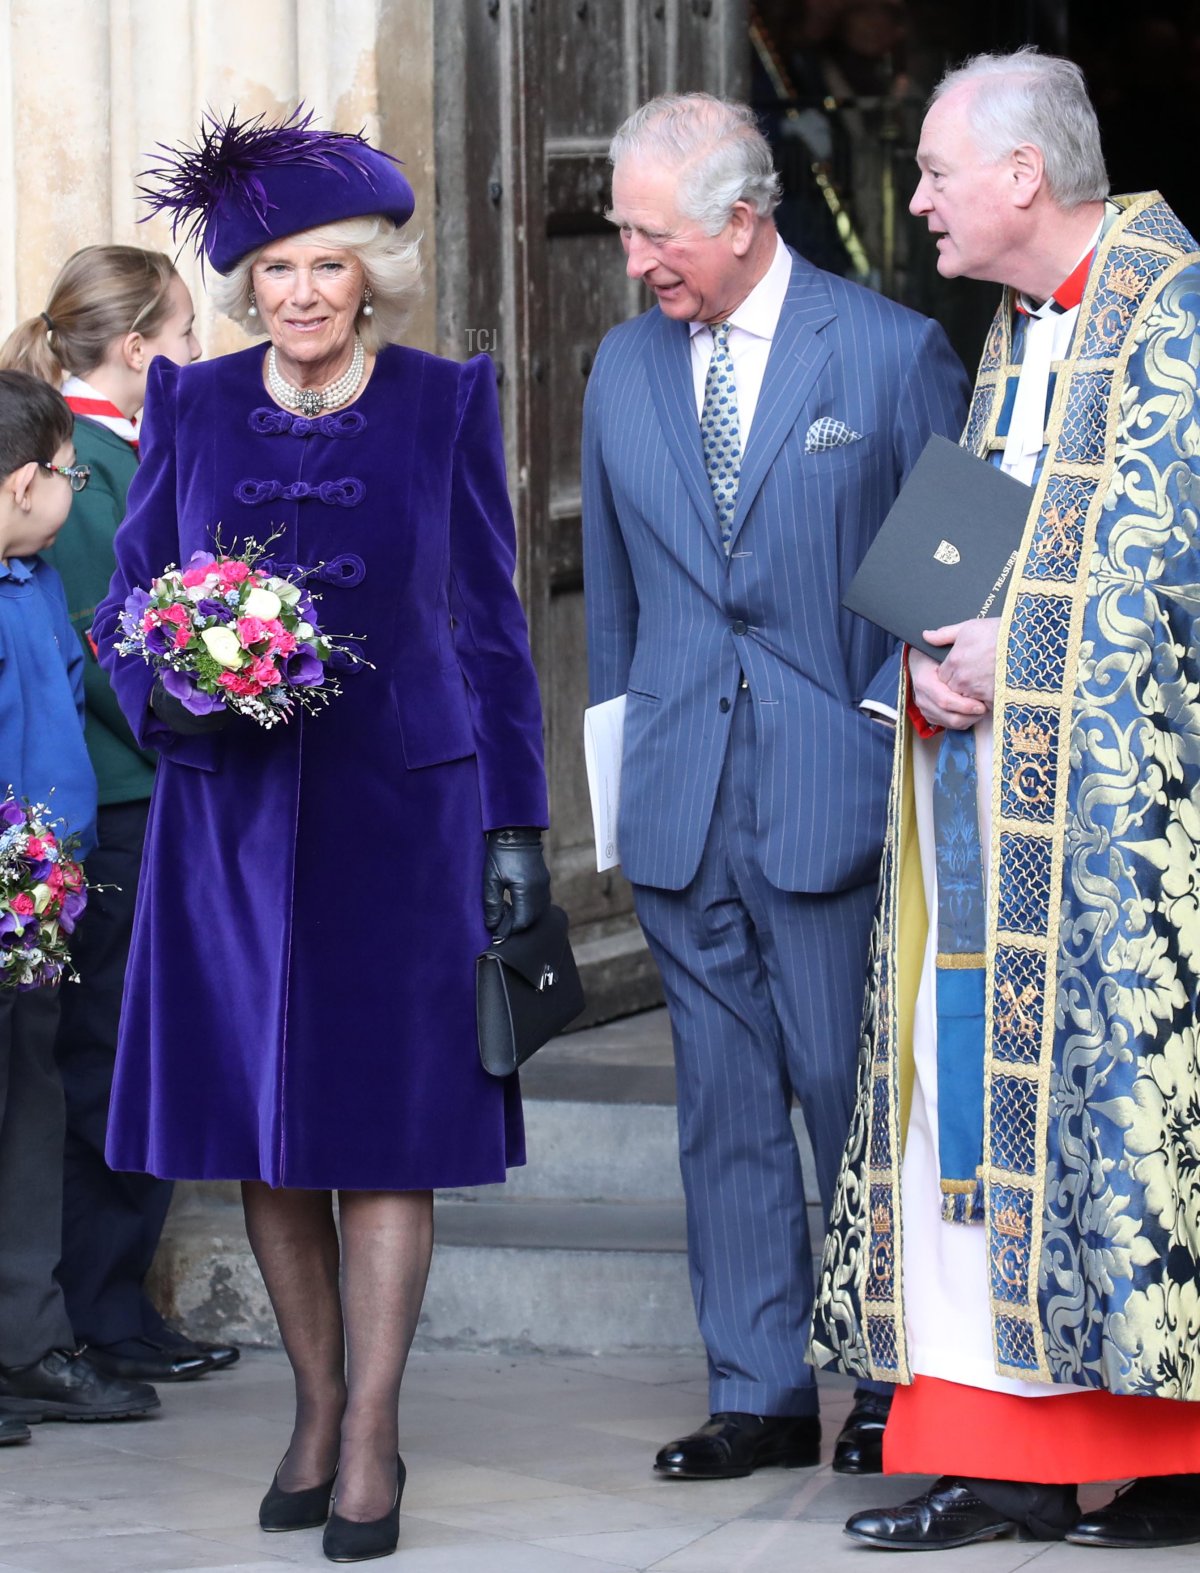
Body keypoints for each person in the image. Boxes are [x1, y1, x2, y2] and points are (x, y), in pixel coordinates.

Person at [91, 111, 550, 1565]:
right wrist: (180, 677)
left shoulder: (443, 401)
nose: (299, 292)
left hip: (402, 816)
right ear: (246, 289)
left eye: (327, 266)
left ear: (373, 278)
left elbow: (490, 625)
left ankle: (371, 1438)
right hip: (229, 823)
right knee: (265, 1139)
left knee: (385, 1135)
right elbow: (124, 604)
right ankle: (312, 1403)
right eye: (274, 269)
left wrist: (517, 825)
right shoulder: (193, 404)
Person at [810, 48, 1200, 1552]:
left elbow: (1172, 589)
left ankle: (1164, 1461)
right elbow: (965, 547)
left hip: (1123, 846)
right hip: (977, 817)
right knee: (957, 1117)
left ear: (1025, 178)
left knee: (1122, 1130)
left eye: (934, 173)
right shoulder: (1017, 328)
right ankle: (1000, 1454)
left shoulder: (1176, 320)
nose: (914, 202)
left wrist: (1015, 653)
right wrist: (921, 657)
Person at [582, 93, 967, 1481]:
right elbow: (615, 608)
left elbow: (953, 557)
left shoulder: (890, 347)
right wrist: (621, 797)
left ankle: (884, 1379)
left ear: (744, 219)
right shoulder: (622, 368)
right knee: (722, 1109)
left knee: (851, 1097)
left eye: (653, 233)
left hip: (837, 795)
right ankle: (751, 1387)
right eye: (626, 231)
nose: (635, 260)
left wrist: (884, 733)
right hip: (683, 797)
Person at [0, 245, 235, 1386]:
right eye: (187, 333)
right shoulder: (83, 466)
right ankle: (96, 1310)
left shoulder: (111, 452)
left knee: (113, 1054)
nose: (200, 353)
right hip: (119, 798)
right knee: (105, 1058)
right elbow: (107, 648)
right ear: (138, 346)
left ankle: (102, 1305)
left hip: (124, 799)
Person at [0, 370, 160, 1438]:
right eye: (64, 473)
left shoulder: (37, 573)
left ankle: (24, 1340)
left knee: (31, 1110)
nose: (73, 488)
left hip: (42, 899)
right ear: (21, 486)